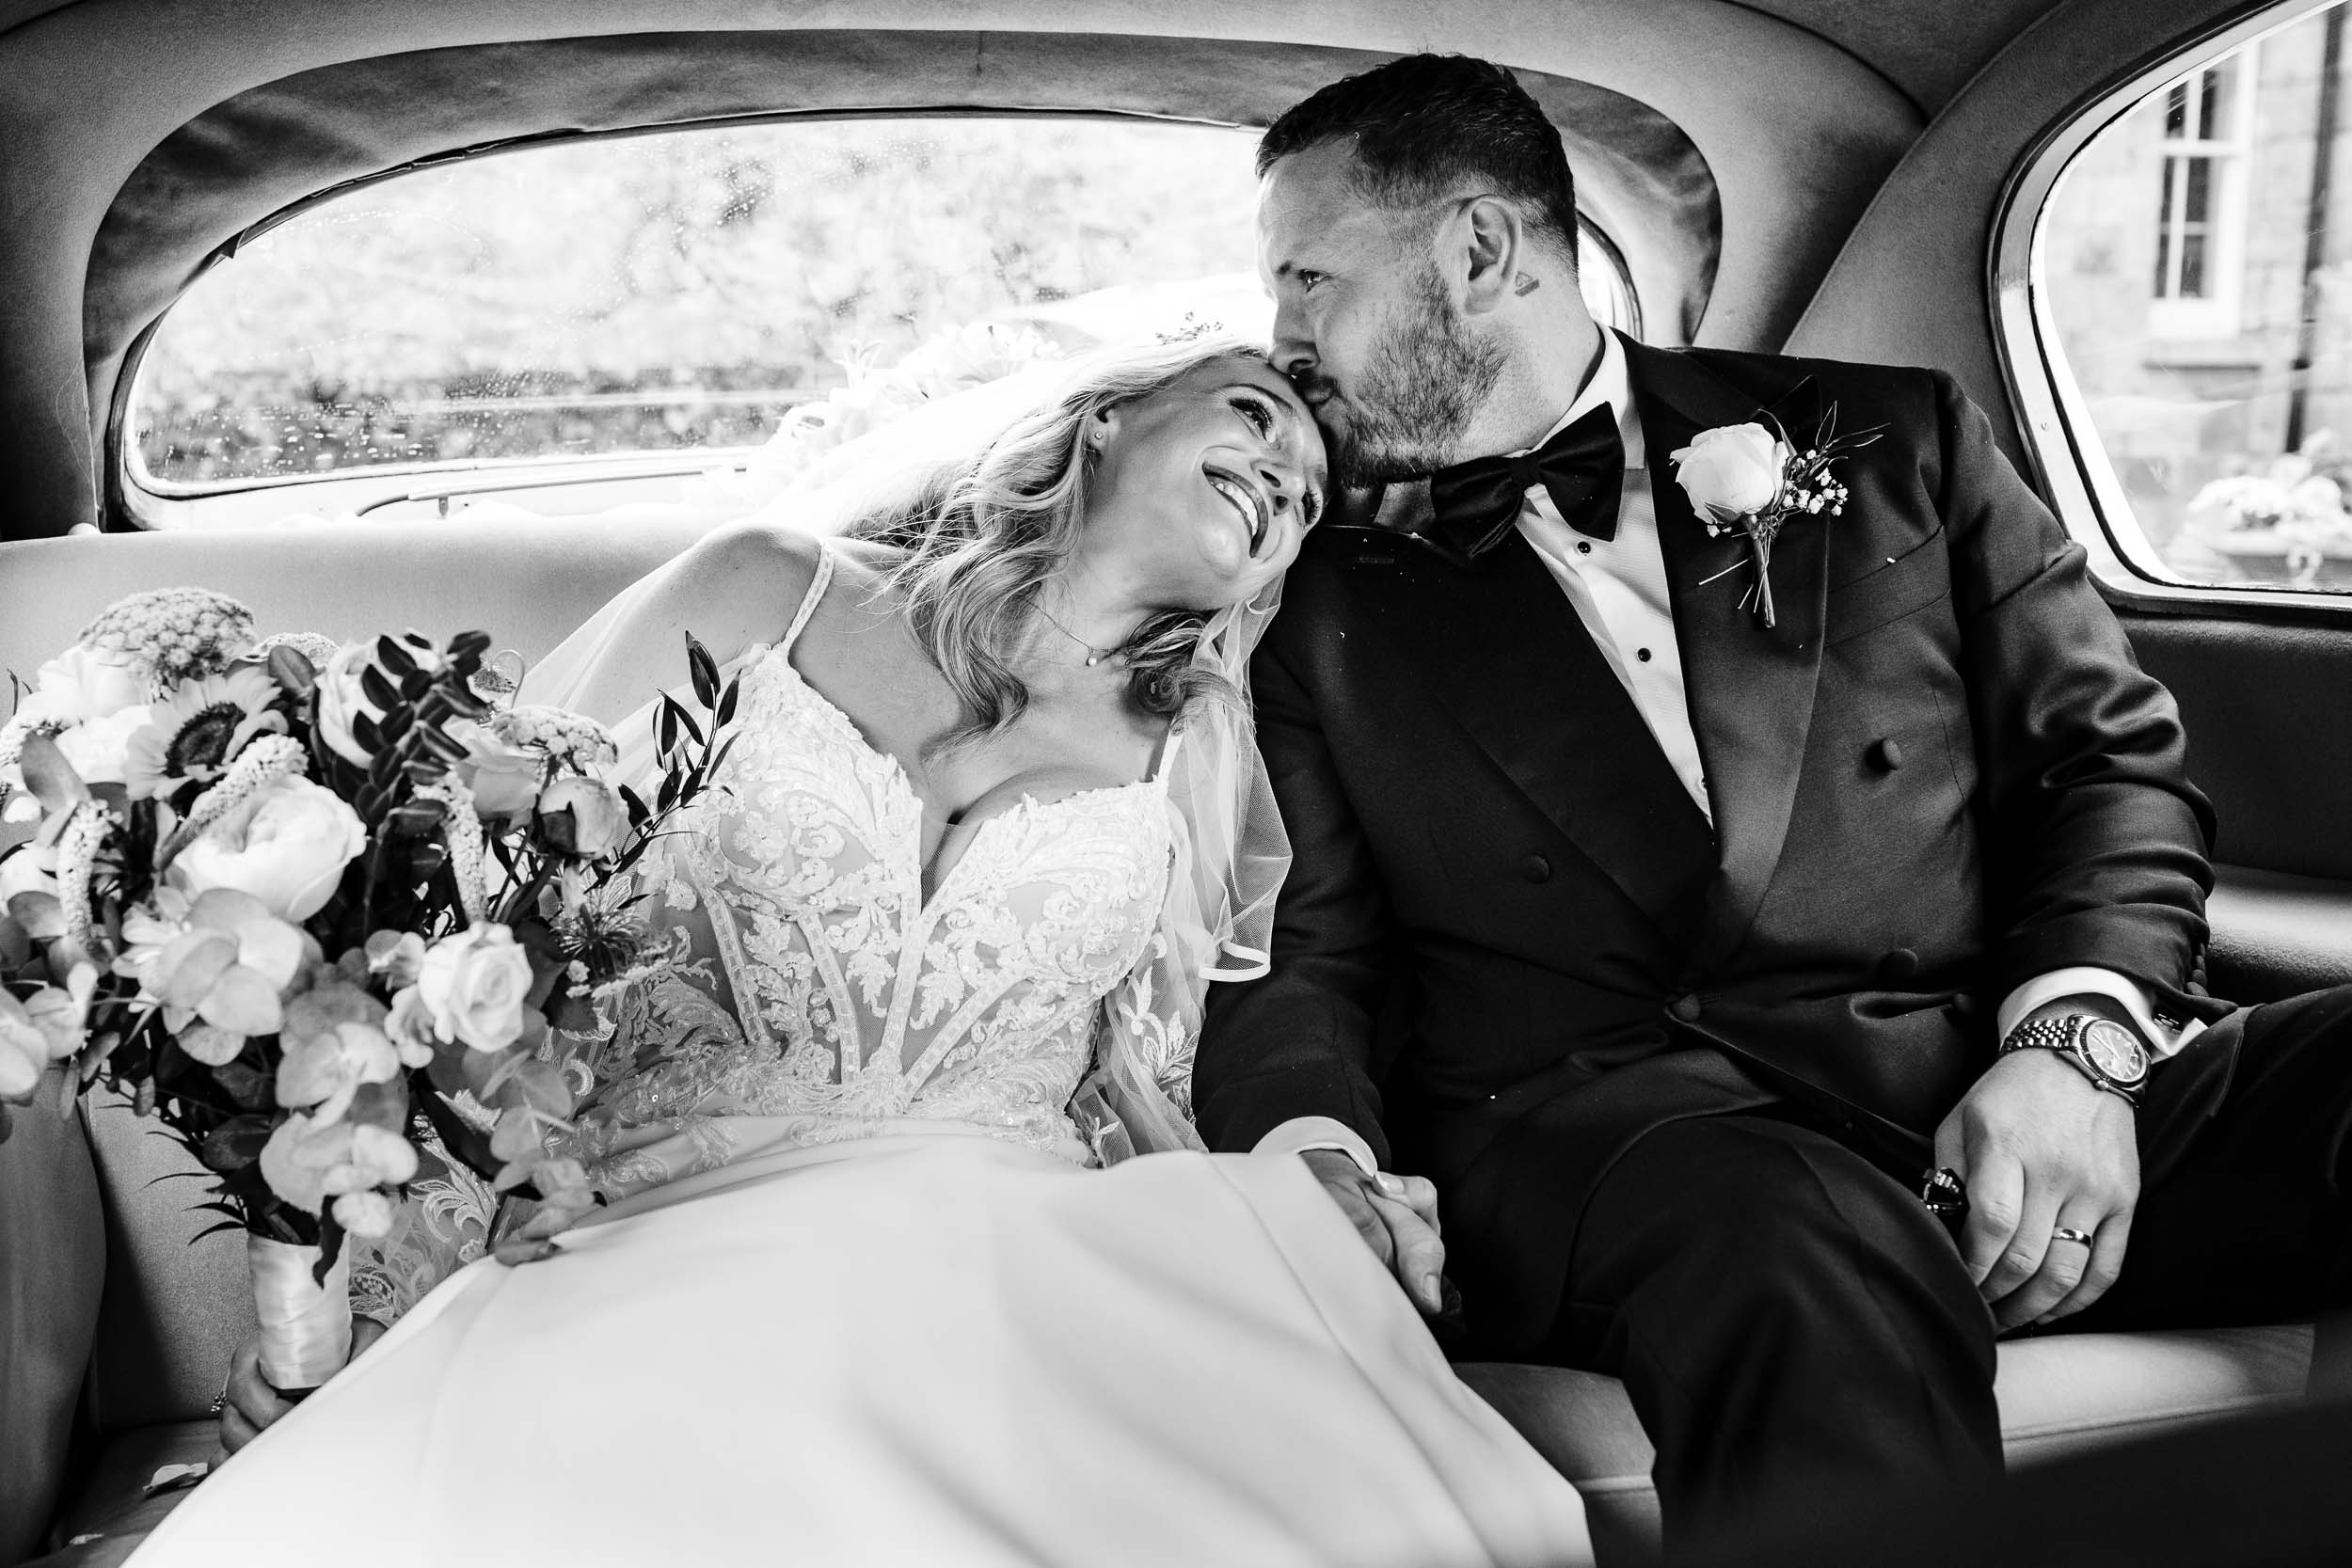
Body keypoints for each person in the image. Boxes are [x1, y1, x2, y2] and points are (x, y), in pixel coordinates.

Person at [142, 337, 1594, 1567]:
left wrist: (1314, 1189)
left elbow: (1153, 1073)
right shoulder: (769, 589)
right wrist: (339, 1302)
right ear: (1107, 420)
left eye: (1307, 495)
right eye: (1252, 417)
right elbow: (474, 932)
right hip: (654, 1230)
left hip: (1019, 1250)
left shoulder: (1198, 749)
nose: (1284, 476)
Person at [1195, 52, 2352, 1554]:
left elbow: (2107, 765)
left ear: (1478, 252)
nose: (1282, 337)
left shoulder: (1892, 438)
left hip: (1971, 1080)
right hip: (1629, 1149)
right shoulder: (1305, 586)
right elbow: (1303, 954)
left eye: (1308, 280)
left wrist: (2072, 1055)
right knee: (1796, 1234)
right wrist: (1318, 1175)